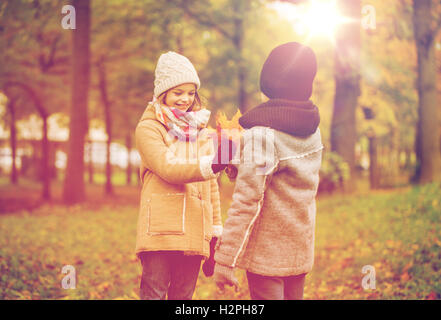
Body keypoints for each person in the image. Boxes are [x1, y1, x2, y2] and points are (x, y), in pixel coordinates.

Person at [213, 42, 323, 300]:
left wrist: (225, 259)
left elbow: (247, 200)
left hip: (267, 258)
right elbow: (280, 175)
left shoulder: (262, 136)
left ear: (270, 83)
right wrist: (239, 159)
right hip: (299, 251)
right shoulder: (311, 129)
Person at [135, 51, 234, 300]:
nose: (185, 99)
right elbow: (168, 167)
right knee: (154, 293)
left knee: (183, 297)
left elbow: (211, 186)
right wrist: (212, 164)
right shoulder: (149, 128)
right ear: (163, 92)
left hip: (194, 228)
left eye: (191, 93)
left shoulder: (200, 130)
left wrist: (215, 230)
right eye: (178, 92)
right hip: (160, 231)